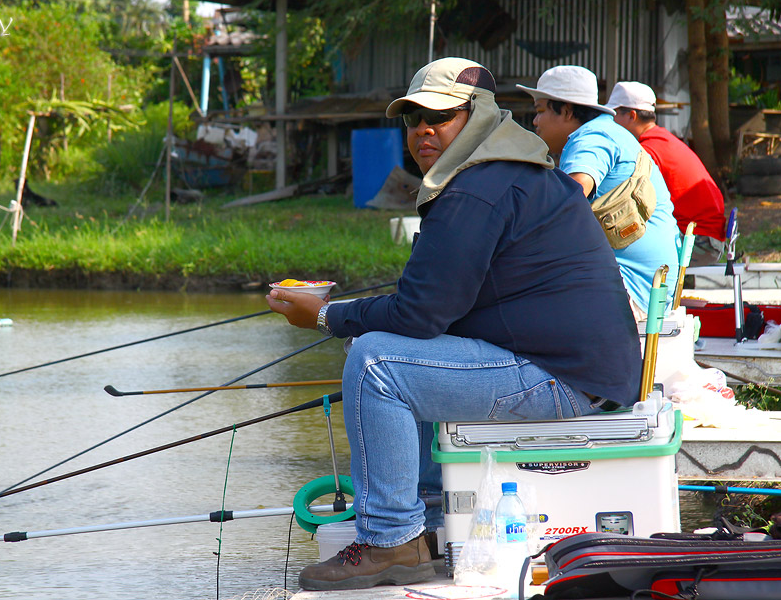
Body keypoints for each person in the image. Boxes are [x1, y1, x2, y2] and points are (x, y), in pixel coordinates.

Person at [266, 57, 643, 591]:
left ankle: (391, 539)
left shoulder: (476, 189)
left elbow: (418, 313)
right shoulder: (506, 171)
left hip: (567, 380)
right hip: (584, 372)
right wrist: (345, 311)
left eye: (440, 117)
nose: (423, 129)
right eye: (413, 118)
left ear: (478, 116)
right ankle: (430, 522)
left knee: (375, 362)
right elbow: (432, 305)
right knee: (394, 347)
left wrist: (326, 315)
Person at [518, 66, 681, 318]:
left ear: (567, 110)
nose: (535, 121)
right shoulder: (612, 131)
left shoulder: (589, 137)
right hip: (653, 286)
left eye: (540, 110)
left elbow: (571, 196)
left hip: (630, 288)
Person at [606, 81, 726, 265]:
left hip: (699, 243)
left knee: (617, 253)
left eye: (613, 115)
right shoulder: (663, 140)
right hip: (708, 238)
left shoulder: (648, 151)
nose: (610, 123)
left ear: (631, 115)